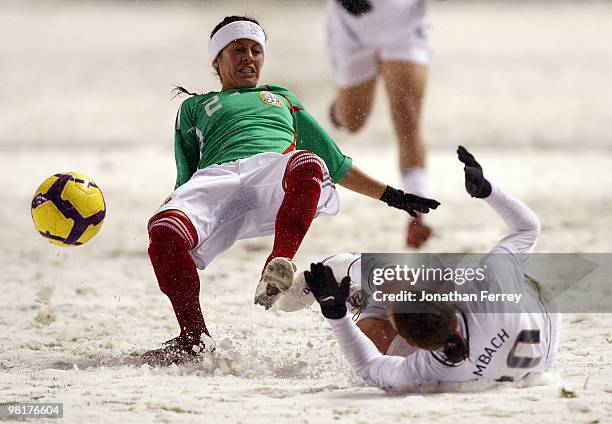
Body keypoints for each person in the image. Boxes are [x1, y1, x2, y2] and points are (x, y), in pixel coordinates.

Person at [140, 16, 440, 366]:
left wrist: (395, 196)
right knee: (163, 231)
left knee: (309, 162)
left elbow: (336, 163)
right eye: (238, 49)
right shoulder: (193, 108)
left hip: (274, 173)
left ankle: (276, 264)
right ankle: (194, 340)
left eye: (256, 50)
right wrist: (175, 204)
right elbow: (186, 174)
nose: (249, 57)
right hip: (216, 179)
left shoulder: (281, 98)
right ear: (217, 60)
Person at [287, 146, 560, 389]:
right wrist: (487, 191)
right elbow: (528, 228)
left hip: (533, 339)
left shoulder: (427, 367)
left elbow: (369, 367)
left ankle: (350, 271)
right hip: (529, 314)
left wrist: (339, 317)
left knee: (376, 318)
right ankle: (362, 287)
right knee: (415, 281)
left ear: (417, 346)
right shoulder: (489, 286)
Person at [327, 0, 433, 248]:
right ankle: (341, 108)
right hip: (353, 25)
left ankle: (418, 211)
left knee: (407, 117)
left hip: (405, 22)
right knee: (353, 121)